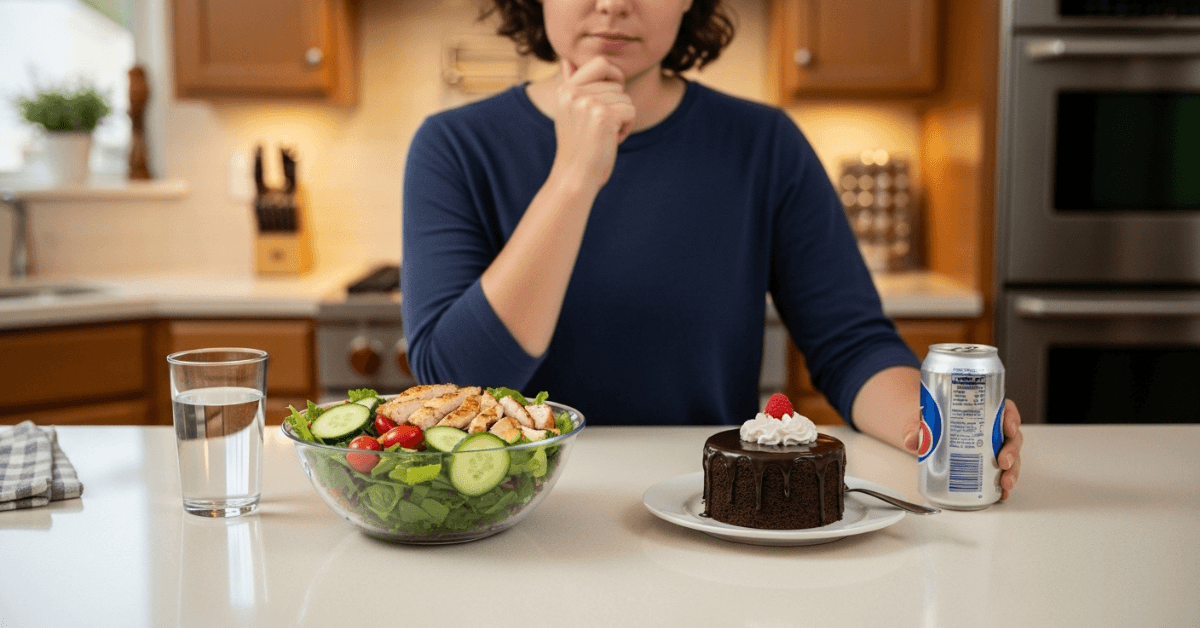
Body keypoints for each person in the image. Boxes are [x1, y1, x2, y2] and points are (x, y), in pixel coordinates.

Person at [402, 0, 1023, 498]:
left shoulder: (764, 143)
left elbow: (850, 343)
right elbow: (455, 384)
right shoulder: (454, 146)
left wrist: (937, 428)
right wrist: (574, 177)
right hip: (516, 505)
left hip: (708, 500)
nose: (613, 6)